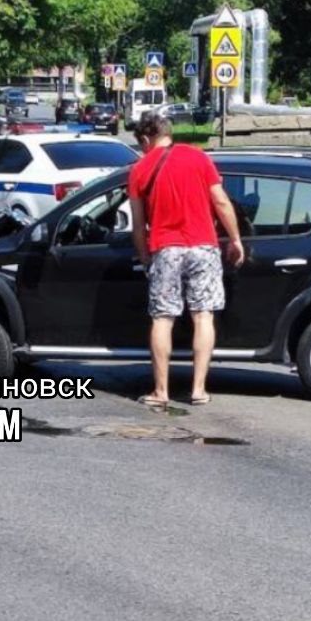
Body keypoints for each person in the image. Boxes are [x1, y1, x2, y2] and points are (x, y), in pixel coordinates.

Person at [127, 113, 245, 408]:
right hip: (203, 246)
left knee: (163, 318)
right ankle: (198, 389)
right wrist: (235, 239)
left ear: (145, 139)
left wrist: (145, 259)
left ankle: (161, 391)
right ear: (169, 133)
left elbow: (138, 225)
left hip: (166, 249)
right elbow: (220, 201)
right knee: (203, 315)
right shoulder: (198, 157)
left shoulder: (139, 170)